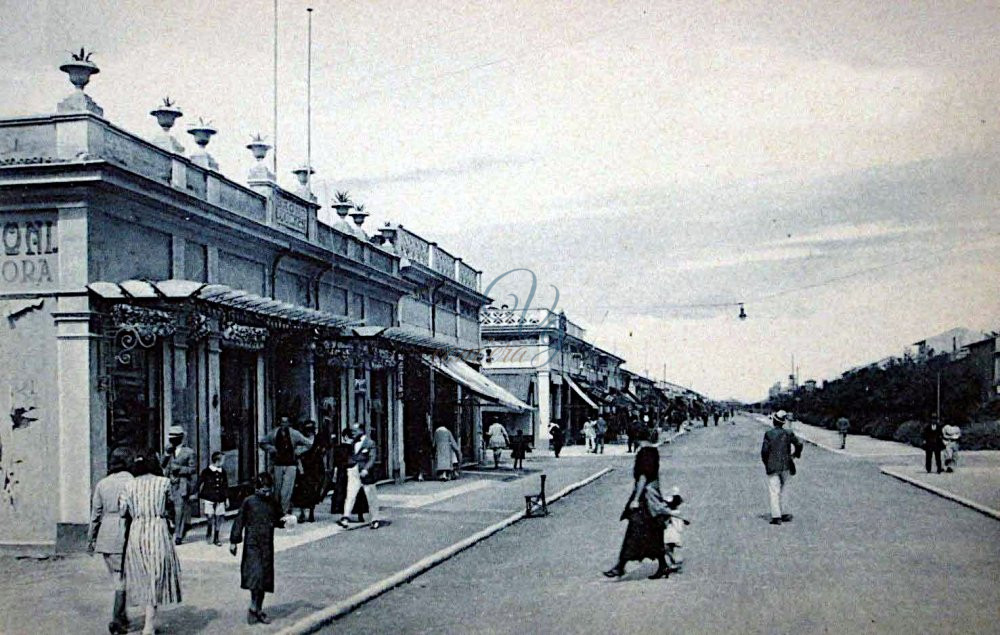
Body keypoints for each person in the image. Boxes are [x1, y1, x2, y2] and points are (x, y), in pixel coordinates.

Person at [120, 449, 182, 635]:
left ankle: (148, 622)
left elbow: (123, 510)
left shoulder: (129, 485)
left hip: (137, 530)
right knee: (157, 574)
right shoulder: (164, 483)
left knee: (143, 575)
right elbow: (171, 505)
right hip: (157, 529)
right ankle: (149, 624)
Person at [603, 433, 673, 580]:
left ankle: (621, 566)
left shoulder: (645, 453)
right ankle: (662, 565)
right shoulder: (653, 451)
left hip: (644, 499)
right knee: (654, 532)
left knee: (634, 531)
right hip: (650, 498)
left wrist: (635, 499)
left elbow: (643, 477)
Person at [88, 447, 134, 635]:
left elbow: (95, 514)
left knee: (116, 578)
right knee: (121, 579)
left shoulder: (102, 483)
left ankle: (122, 616)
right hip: (122, 531)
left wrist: (91, 538)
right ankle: (116, 619)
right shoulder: (131, 481)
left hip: (105, 535)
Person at [229, 472, 285, 625]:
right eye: (264, 490)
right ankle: (253, 607)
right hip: (252, 544)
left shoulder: (272, 502)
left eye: (269, 490)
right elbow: (239, 521)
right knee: (255, 576)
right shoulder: (249, 502)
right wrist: (234, 541)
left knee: (265, 579)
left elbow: (278, 518)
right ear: (257, 489)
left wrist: (285, 521)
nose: (267, 493)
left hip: (267, 544)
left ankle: (258, 609)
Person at [258, 416, 312, 515]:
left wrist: (298, 451)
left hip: (290, 465)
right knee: (277, 491)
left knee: (286, 491)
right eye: (282, 422)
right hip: (277, 464)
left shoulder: (294, 433)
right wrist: (271, 449)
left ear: (289, 423)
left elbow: (308, 443)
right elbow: (262, 443)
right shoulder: (274, 433)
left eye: (286, 422)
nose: (283, 425)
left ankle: (284, 512)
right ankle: (277, 511)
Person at [761, 410, 803, 525]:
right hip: (786, 465)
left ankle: (776, 516)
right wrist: (795, 455)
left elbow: (764, 451)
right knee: (785, 489)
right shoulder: (788, 433)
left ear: (774, 421)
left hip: (773, 466)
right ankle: (784, 513)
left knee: (774, 491)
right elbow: (799, 444)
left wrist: (766, 463)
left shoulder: (769, 434)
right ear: (783, 422)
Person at [161, 425, 196, 545]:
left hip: (181, 483)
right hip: (169, 483)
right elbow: (162, 464)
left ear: (180, 438)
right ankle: (173, 528)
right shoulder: (168, 450)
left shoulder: (189, 452)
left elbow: (192, 469)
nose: (172, 441)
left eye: (174, 438)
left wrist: (180, 469)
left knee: (179, 510)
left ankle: (179, 535)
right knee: (168, 508)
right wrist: (166, 454)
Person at [292, 421, 326, 523]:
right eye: (308, 430)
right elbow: (297, 453)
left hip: (316, 468)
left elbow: (323, 451)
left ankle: (311, 512)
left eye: (311, 430)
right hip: (305, 468)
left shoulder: (318, 439)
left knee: (314, 491)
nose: (310, 432)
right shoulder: (301, 440)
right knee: (302, 490)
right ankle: (302, 513)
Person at [196, 451, 229, 546]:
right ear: (217, 461)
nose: (224, 462)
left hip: (220, 498)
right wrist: (196, 494)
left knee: (219, 517)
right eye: (223, 460)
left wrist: (227, 498)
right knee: (210, 516)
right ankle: (209, 529)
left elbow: (226, 486)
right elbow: (199, 482)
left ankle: (216, 537)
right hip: (209, 498)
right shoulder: (206, 471)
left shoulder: (223, 472)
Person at [662, 486, 689, 573]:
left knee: (666, 547)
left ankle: (675, 562)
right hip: (672, 532)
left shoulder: (672, 513)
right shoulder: (676, 512)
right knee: (669, 548)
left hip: (671, 532)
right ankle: (674, 563)